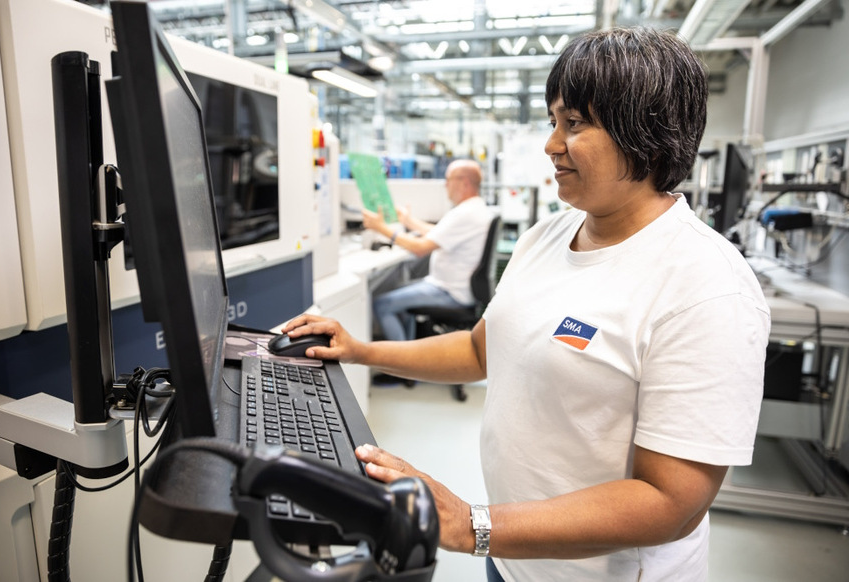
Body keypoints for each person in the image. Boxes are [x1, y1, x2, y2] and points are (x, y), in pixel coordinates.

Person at [281, 27, 770, 582]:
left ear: (648, 136)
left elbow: (671, 503)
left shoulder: (706, 286)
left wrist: (472, 525)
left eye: (575, 123)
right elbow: (479, 350)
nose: (551, 143)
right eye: (553, 121)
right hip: (512, 556)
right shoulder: (547, 236)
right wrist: (360, 350)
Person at [361, 159, 495, 344]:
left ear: (464, 182)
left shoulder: (465, 213)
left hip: (449, 292)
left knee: (382, 304)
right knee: (399, 293)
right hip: (454, 288)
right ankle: (408, 351)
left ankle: (403, 359)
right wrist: (409, 222)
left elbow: (419, 248)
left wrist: (381, 228)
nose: (445, 185)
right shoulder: (475, 208)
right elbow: (439, 233)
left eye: (448, 179)